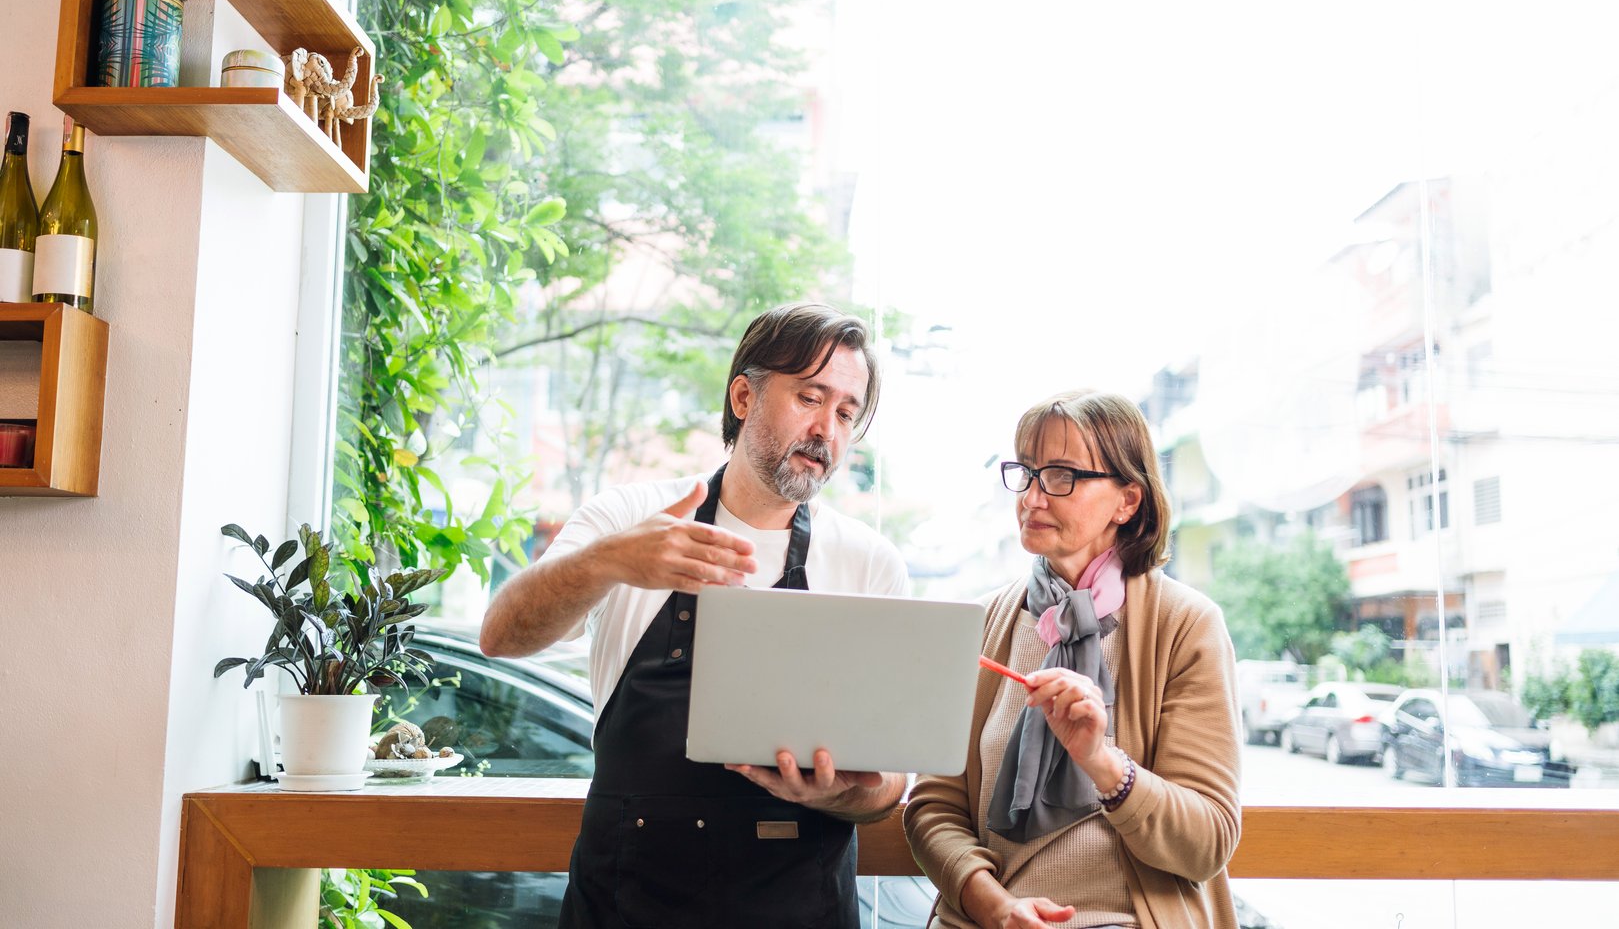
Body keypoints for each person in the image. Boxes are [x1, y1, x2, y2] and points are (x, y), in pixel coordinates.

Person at [480, 301, 909, 928]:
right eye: (811, 398)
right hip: (626, 907)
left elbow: (889, 787)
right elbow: (500, 636)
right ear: (743, 396)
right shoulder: (631, 517)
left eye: (846, 413)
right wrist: (607, 563)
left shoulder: (869, 563)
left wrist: (836, 793)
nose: (828, 431)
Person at [904, 390, 1241, 929]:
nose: (1032, 498)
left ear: (1127, 501)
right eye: (1027, 473)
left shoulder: (1186, 624)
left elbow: (1207, 843)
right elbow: (933, 807)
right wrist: (994, 906)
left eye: (1060, 477)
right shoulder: (984, 622)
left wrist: (1102, 761)